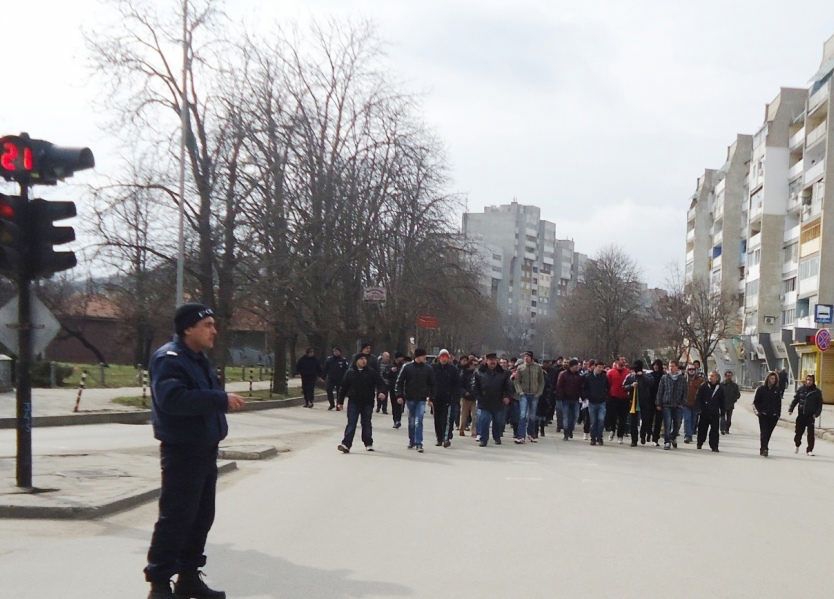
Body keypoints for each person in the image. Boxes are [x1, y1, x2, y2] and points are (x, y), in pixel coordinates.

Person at [144, 303, 246, 599]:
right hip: (182, 451)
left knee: (201, 517)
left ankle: (188, 577)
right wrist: (219, 399)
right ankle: (159, 584)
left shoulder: (199, 359)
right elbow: (172, 399)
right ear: (188, 328)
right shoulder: (169, 359)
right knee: (176, 517)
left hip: (205, 449)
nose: (214, 331)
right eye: (207, 325)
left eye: (214, 325)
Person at [337, 354, 388, 454]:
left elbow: (381, 383)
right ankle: (346, 444)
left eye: (365, 359)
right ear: (356, 361)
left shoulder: (371, 372)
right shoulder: (350, 372)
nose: (364, 361)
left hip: (367, 402)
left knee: (366, 423)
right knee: (351, 423)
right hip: (354, 402)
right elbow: (343, 387)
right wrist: (340, 402)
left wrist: (382, 392)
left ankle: (368, 443)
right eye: (361, 359)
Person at [395, 348, 435, 453]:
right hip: (410, 398)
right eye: (423, 356)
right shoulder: (407, 367)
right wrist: (399, 395)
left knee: (419, 420)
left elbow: (432, 384)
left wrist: (431, 398)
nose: (425, 358)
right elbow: (399, 382)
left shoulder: (428, 369)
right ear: (418, 356)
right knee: (412, 421)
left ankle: (419, 443)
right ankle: (412, 440)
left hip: (422, 399)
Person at [472, 353, 514, 447]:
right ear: (486, 361)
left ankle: (497, 437)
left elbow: (508, 387)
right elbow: (474, 386)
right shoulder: (479, 372)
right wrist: (478, 397)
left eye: (494, 360)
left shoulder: (503, 373)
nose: (492, 362)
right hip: (484, 402)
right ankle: (483, 439)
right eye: (490, 360)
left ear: (497, 361)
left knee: (498, 421)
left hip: (498, 402)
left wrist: (506, 396)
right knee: (484, 421)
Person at [513, 351, 545, 444]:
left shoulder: (537, 367)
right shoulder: (520, 368)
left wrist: (539, 392)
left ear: (531, 358)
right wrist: (520, 392)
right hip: (524, 394)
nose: (526, 358)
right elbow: (516, 381)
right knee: (523, 415)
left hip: (534, 395)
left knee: (532, 416)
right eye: (524, 357)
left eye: (527, 356)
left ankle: (531, 434)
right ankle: (521, 436)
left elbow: (541, 381)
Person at [431, 349, 461, 448]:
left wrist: (455, 397)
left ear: (448, 358)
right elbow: (430, 383)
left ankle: (446, 438)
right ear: (439, 358)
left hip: (449, 398)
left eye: (446, 357)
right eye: (442, 357)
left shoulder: (453, 370)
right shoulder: (434, 368)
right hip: (436, 398)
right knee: (437, 419)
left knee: (447, 419)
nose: (444, 359)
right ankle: (439, 438)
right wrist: (430, 397)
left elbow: (457, 384)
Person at [789, 374, 823, 456]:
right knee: (798, 433)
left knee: (810, 434)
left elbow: (819, 405)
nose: (808, 381)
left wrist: (816, 414)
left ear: (813, 381)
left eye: (810, 380)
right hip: (801, 415)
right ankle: (797, 444)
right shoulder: (801, 389)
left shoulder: (817, 392)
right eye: (807, 379)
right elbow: (795, 400)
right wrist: (791, 409)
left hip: (811, 416)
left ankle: (809, 450)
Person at [656, 360, 687, 450]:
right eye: (670, 366)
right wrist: (658, 403)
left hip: (678, 405)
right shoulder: (664, 377)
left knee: (678, 423)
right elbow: (660, 391)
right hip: (667, 404)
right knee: (667, 423)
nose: (671, 368)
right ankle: (667, 442)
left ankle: (673, 437)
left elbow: (685, 392)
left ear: (677, 367)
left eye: (673, 366)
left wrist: (683, 402)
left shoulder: (682, 378)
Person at [622, 360, 652, 447]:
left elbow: (651, 383)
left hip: (644, 401)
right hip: (633, 401)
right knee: (633, 422)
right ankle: (634, 440)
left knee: (645, 420)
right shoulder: (630, 376)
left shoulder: (647, 375)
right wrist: (631, 385)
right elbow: (623, 387)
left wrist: (642, 375)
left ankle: (643, 435)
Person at [753, 371, 782, 457]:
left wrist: (778, 414)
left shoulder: (777, 390)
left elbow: (779, 403)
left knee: (768, 433)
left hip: (773, 416)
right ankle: (764, 449)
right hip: (763, 415)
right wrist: (759, 412)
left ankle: (764, 447)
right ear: (768, 379)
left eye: (774, 379)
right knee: (764, 432)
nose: (773, 380)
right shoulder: (761, 389)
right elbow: (756, 402)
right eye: (771, 378)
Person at [695, 370, 724, 452]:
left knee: (714, 430)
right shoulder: (703, 386)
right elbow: (698, 397)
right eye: (709, 376)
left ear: (717, 378)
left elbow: (722, 401)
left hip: (714, 412)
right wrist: (699, 408)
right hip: (704, 412)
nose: (710, 378)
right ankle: (700, 443)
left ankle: (714, 446)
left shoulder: (720, 388)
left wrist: (722, 411)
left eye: (712, 376)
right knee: (702, 429)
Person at [556, 358, 584, 441]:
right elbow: (559, 386)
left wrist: (582, 396)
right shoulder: (563, 374)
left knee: (575, 416)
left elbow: (581, 387)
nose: (577, 367)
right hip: (565, 399)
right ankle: (566, 433)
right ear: (571, 366)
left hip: (576, 399)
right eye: (576, 366)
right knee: (566, 416)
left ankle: (571, 429)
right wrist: (561, 395)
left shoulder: (579, 376)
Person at [583, 361, 609, 446]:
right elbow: (584, 388)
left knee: (601, 420)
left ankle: (599, 437)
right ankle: (593, 438)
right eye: (599, 367)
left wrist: (605, 396)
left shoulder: (604, 377)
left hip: (602, 402)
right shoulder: (588, 377)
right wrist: (587, 396)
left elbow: (607, 387)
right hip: (592, 402)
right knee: (593, 421)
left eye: (602, 367)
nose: (600, 369)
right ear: (595, 367)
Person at [606, 357, 630, 443]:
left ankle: (620, 436)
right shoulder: (611, 372)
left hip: (624, 398)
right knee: (612, 416)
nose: (623, 361)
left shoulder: (628, 372)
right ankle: (612, 429)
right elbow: (608, 384)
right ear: (617, 361)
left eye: (624, 360)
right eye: (621, 360)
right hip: (613, 397)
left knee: (623, 418)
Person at [644, 359, 665, 446]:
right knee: (649, 418)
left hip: (660, 400)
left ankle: (655, 438)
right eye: (654, 365)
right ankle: (648, 433)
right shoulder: (650, 375)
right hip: (650, 399)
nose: (656, 366)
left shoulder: (664, 376)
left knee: (658, 421)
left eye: (657, 365)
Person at [682, 364, 704, 443]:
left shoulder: (700, 380)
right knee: (687, 419)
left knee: (693, 420)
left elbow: (703, 392)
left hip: (696, 404)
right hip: (685, 403)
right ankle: (687, 436)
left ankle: (690, 434)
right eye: (690, 369)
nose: (691, 371)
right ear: (687, 370)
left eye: (693, 369)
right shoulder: (683, 379)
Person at [385, 353, 407, 429]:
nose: (401, 359)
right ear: (396, 358)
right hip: (393, 388)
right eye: (400, 358)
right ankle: (396, 420)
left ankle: (398, 419)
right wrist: (391, 371)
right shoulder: (390, 366)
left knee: (400, 405)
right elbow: (385, 375)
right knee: (394, 405)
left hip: (401, 389)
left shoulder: (403, 367)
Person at [323, 347, 348, 411]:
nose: (336, 352)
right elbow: (325, 369)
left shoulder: (343, 360)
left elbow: (346, 370)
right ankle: (332, 404)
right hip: (331, 378)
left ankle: (338, 405)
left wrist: (346, 378)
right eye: (334, 351)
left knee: (339, 393)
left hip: (340, 379)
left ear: (340, 352)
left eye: (337, 351)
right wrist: (323, 377)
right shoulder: (329, 359)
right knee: (329, 390)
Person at [458, 355, 478, 438]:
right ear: (470, 365)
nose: (475, 366)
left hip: (474, 398)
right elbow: (460, 385)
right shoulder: (464, 373)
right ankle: (461, 429)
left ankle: (474, 431)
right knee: (464, 415)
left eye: (476, 365)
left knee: (474, 416)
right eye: (474, 365)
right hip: (465, 397)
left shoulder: (477, 374)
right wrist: (464, 392)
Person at [720, 370, 740, 434]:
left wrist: (734, 400)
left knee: (729, 419)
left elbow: (738, 395)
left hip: (730, 404)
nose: (729, 377)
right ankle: (722, 429)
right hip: (722, 404)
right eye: (727, 375)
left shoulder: (735, 385)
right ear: (725, 376)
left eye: (730, 376)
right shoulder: (721, 385)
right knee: (722, 418)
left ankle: (727, 429)